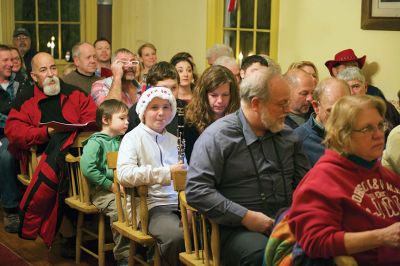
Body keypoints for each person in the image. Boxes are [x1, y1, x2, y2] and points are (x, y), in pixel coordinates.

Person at [186, 68, 310, 265]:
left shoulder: (288, 136)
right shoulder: (218, 136)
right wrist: (245, 216)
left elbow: (306, 185)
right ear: (256, 104)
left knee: (323, 248)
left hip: (284, 223)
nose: (288, 110)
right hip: (232, 229)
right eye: (281, 104)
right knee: (262, 255)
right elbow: (197, 190)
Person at [288, 95, 400, 265]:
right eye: (367, 129)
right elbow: (315, 242)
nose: (378, 135)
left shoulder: (385, 175)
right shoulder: (322, 180)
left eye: (379, 125)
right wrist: (381, 237)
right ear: (343, 135)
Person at [5, 52, 97, 247]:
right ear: (33, 76)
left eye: (53, 68)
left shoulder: (75, 93)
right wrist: (45, 132)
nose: (50, 74)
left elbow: (92, 120)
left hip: (77, 151)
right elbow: (13, 131)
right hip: (43, 154)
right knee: (60, 169)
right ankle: (68, 233)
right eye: (43, 70)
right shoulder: (25, 98)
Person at [117, 86, 186, 266]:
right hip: (150, 206)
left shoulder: (174, 140)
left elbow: (188, 174)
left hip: (180, 203)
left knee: (209, 229)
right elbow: (124, 175)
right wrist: (166, 172)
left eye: (165, 107)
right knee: (176, 236)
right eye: (154, 107)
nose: (161, 113)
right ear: (143, 111)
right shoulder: (132, 138)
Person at [80, 99, 130, 266]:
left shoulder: (124, 141)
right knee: (121, 209)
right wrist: (110, 185)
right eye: (122, 118)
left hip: (123, 188)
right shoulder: (96, 142)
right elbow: (88, 168)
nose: (127, 122)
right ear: (106, 120)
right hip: (101, 191)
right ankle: (124, 256)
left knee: (143, 205)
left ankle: (144, 250)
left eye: (127, 118)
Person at [184, 65, 240, 162]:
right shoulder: (191, 123)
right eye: (214, 95)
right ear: (203, 95)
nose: (220, 100)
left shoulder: (239, 119)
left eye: (225, 95)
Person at [294, 78, 350, 166]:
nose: (340, 118)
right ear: (316, 107)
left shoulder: (355, 134)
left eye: (345, 110)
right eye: (332, 111)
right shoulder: (298, 141)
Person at [0, 44, 23, 233]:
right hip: (3, 135)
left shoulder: (21, 82)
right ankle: (10, 209)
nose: (11, 64)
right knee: (6, 155)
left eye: (12, 59)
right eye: (5, 60)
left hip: (22, 133)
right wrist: (14, 121)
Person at [337, 67, 400, 135]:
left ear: (365, 87)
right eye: (347, 88)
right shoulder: (338, 116)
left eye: (356, 86)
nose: (352, 92)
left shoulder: (386, 108)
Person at [127, 61, 184, 134]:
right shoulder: (137, 111)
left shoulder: (187, 110)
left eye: (174, 88)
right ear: (151, 87)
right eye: (164, 88)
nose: (169, 94)